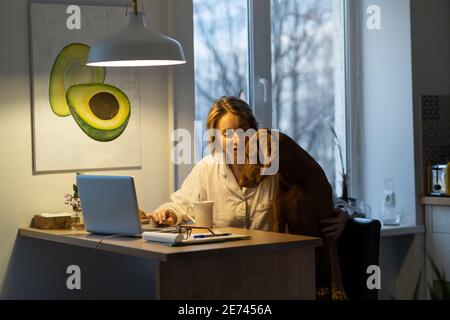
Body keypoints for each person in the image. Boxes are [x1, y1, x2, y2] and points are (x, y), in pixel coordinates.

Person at [145, 96, 348, 239]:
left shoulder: (275, 165)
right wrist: (166, 213)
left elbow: (317, 193)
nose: (237, 141)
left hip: (273, 263)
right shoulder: (206, 169)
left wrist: (341, 212)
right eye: (227, 134)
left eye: (243, 131)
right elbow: (179, 206)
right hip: (224, 263)